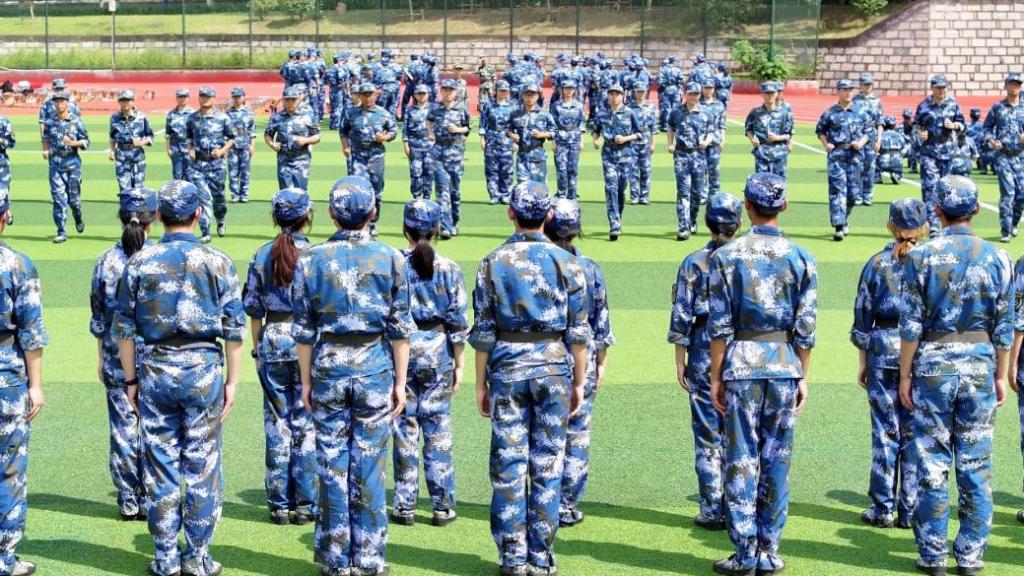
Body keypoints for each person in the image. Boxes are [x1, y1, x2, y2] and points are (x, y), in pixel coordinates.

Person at [114, 180, 246, 576]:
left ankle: (166, 557)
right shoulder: (217, 260)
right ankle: (198, 556)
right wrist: (232, 383)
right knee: (202, 467)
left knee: (161, 466)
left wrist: (130, 382)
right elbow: (234, 331)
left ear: (158, 215)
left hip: (156, 368)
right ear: (198, 214)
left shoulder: (140, 262)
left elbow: (124, 331)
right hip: (203, 368)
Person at [292, 176, 414, 576]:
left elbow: (303, 331)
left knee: (331, 463)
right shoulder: (391, 257)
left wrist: (306, 381)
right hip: (374, 367)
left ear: (331, 213)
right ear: (373, 212)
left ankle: (335, 556)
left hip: (328, 366)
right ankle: (369, 557)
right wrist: (400, 382)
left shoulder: (310, 259)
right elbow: (400, 330)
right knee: (370, 465)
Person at [469, 180, 590, 576]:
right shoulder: (568, 262)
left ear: (511, 213)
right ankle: (541, 554)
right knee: (548, 464)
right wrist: (579, 382)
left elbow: (483, 332)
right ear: (549, 215)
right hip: (554, 367)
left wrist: (480, 384)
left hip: (507, 366)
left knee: (509, 466)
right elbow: (579, 334)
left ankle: (512, 555)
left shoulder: (492, 261)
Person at [899, 175, 1011, 576]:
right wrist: (1001, 374)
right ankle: (970, 555)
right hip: (980, 364)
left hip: (933, 366)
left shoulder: (921, 257)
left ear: (937, 211)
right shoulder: (999, 257)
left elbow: (910, 325)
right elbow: (1004, 327)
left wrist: (905, 374)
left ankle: (933, 554)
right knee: (975, 464)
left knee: (931, 462)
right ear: (976, 210)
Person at [708, 172, 817, 576]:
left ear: (747, 207)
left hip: (741, 363)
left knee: (741, 458)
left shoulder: (727, 256)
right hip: (784, 363)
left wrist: (716, 376)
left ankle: (744, 551)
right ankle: (769, 549)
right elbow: (806, 328)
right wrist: (802, 375)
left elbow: (719, 326)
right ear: (782, 206)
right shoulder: (801, 256)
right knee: (777, 459)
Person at [850, 198, 928, 531]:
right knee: (914, 431)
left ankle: (882, 507)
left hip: (882, 351)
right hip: (920, 354)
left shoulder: (876, 264)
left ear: (890, 226)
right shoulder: (931, 262)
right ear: (924, 227)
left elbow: (862, 318)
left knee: (884, 430)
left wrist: (863, 362)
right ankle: (909, 508)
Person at [390, 198, 468, 528]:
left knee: (403, 430)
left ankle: (404, 504)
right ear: (437, 229)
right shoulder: (449, 268)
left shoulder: (393, 264)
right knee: (438, 431)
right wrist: (460, 364)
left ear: (405, 229)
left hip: (401, 354)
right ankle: (442, 505)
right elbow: (458, 322)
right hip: (438, 353)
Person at [241, 188, 318, 526]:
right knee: (306, 424)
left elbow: (253, 309)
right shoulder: (316, 255)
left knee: (277, 425)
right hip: (306, 342)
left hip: (272, 339)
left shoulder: (261, 255)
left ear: (275, 217)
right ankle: (305, 503)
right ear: (307, 216)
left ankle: (279, 504)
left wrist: (258, 347)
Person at [669, 192, 742, 534]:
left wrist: (679, 360)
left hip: (702, 348)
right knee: (742, 430)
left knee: (708, 432)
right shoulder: (749, 258)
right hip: (744, 349)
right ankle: (742, 504)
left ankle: (712, 507)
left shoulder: (694, 262)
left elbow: (681, 316)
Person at [543, 198, 614, 529]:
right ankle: (567, 503)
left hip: (543, 358)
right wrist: (601, 362)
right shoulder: (589, 268)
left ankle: (542, 501)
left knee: (543, 432)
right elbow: (601, 323)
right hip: (580, 360)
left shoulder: (537, 262)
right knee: (577, 434)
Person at [90, 186, 158, 523]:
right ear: (153, 218)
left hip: (118, 355)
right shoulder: (161, 258)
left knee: (123, 428)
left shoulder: (106, 261)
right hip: (158, 357)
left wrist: (101, 356)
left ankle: (129, 499)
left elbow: (100, 318)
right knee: (156, 427)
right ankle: (152, 496)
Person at [0, 186, 47, 576]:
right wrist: (36, 385)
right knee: (9, 470)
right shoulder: (17, 264)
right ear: (5, 218)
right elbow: (31, 334)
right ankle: (4, 558)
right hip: (7, 379)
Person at [339, 83, 396, 237]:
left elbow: (393, 131)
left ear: (375, 95)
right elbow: (343, 130)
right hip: (358, 155)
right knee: (358, 189)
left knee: (376, 190)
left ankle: (373, 222)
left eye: (370, 94)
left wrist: (384, 137)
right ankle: (358, 223)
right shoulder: (351, 112)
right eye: (364, 94)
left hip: (376, 156)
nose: (367, 98)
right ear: (359, 96)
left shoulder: (383, 113)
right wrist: (345, 146)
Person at [816, 79, 868, 242]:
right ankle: (839, 226)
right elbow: (820, 130)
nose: (847, 92)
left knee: (853, 194)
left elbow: (868, 132)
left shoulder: (860, 112)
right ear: (838, 91)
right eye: (844, 89)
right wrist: (826, 144)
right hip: (837, 156)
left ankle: (844, 218)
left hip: (855, 156)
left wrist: (861, 143)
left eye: (850, 89)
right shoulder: (830, 113)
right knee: (837, 191)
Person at [914, 74, 966, 233]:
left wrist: (955, 125)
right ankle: (933, 224)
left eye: (943, 87)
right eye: (938, 87)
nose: (941, 90)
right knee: (930, 188)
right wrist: (920, 133)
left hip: (947, 151)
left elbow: (963, 125)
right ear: (932, 88)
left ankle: (944, 222)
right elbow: (915, 125)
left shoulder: (953, 104)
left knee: (945, 189)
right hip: (929, 151)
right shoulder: (924, 106)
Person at [591, 83, 641, 241]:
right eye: (611, 94)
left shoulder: (629, 112)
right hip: (608, 154)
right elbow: (595, 130)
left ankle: (618, 216)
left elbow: (639, 133)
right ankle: (614, 224)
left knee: (621, 189)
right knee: (611, 188)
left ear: (622, 96)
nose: (613, 97)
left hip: (626, 155)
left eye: (617, 94)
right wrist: (596, 140)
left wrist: (626, 138)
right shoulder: (602, 113)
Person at [187, 86, 237, 241]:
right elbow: (189, 138)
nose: (205, 99)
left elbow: (232, 138)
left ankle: (221, 220)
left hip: (216, 165)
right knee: (202, 199)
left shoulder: (223, 118)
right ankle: (205, 232)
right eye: (202, 96)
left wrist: (222, 151)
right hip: (198, 165)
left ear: (214, 99)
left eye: (208, 97)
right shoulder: (192, 118)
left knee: (219, 199)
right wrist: (190, 149)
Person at [41, 91, 88, 244]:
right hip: (55, 164)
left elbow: (86, 141)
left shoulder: (77, 121)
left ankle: (78, 215)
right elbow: (45, 138)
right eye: (56, 101)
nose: (59, 104)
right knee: (58, 199)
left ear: (68, 103)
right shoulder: (49, 121)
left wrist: (73, 143)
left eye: (62, 101)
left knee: (74, 200)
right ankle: (61, 231)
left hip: (72, 163)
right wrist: (45, 150)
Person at [668, 82, 713, 241]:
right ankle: (683, 226)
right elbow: (671, 127)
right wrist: (670, 143)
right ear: (685, 94)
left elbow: (711, 132)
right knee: (683, 191)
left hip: (698, 155)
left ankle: (692, 219)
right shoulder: (676, 112)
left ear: (700, 95)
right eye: (690, 93)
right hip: (681, 155)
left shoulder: (706, 113)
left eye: (696, 94)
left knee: (697, 193)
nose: (693, 96)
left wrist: (707, 141)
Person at [983, 72, 1024, 243]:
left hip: (1021, 157)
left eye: (1018, 84)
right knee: (1008, 194)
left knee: (1021, 195)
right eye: (1012, 84)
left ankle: (1014, 222)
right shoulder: (997, 108)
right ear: (1006, 86)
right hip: (1003, 156)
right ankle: (1005, 230)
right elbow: (986, 128)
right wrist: (992, 141)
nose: (1015, 87)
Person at [428, 79, 471, 239]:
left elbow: (468, 128)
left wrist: (458, 129)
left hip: (455, 152)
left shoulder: (461, 108)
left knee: (454, 190)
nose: (447, 93)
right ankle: (445, 226)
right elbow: (428, 120)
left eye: (450, 90)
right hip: (438, 151)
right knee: (441, 190)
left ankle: (454, 221)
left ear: (455, 92)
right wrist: (430, 132)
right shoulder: (435, 108)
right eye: (445, 90)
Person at [264, 86, 321, 192]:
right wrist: (272, 144)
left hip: (301, 161)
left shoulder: (307, 117)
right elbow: (268, 134)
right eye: (287, 100)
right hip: (284, 160)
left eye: (293, 100)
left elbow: (317, 136)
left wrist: (305, 140)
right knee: (285, 193)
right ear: (283, 101)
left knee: (300, 192)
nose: (290, 102)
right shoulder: (276, 118)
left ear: (299, 100)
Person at [107, 90, 154, 195]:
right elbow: (112, 136)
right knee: (124, 189)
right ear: (119, 102)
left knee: (138, 189)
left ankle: (137, 206)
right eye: (122, 101)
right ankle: (126, 206)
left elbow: (150, 136)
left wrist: (141, 143)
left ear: (132, 101)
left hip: (137, 155)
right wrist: (111, 151)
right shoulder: (115, 118)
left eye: (127, 100)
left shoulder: (141, 117)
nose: (125, 103)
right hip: (121, 156)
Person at [508, 83, 555, 185]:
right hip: (522, 155)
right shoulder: (515, 114)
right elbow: (508, 129)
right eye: (527, 95)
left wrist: (543, 135)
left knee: (539, 186)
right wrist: (512, 135)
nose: (529, 98)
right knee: (522, 186)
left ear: (537, 96)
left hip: (538, 155)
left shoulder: (544, 114)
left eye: (533, 95)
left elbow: (555, 131)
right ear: (522, 96)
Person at [744, 82, 792, 178]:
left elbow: (789, 133)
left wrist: (777, 138)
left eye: (772, 93)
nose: (770, 96)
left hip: (779, 153)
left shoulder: (784, 113)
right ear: (762, 94)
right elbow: (748, 129)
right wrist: (752, 139)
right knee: (762, 183)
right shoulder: (755, 112)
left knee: (779, 183)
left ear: (776, 94)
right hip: (762, 153)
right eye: (767, 93)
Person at [480, 80, 517, 205]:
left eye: (506, 91)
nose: (504, 93)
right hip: (491, 138)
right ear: (496, 91)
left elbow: (516, 124)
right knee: (491, 169)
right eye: (501, 90)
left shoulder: (512, 105)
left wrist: (515, 141)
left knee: (506, 169)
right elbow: (483, 122)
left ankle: (505, 195)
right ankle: (494, 195)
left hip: (507, 138)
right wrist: (482, 138)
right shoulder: (488, 104)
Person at [551, 80, 585, 200]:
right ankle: (561, 193)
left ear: (574, 90)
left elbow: (581, 123)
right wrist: (553, 141)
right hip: (561, 139)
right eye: (566, 88)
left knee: (573, 169)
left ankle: (572, 194)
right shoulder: (556, 105)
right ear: (562, 90)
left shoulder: (579, 105)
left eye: (571, 88)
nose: (569, 91)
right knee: (561, 168)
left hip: (574, 139)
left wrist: (581, 141)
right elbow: (553, 124)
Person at [853, 73, 884, 205]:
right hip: (858, 138)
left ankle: (868, 195)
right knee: (857, 167)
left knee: (870, 168)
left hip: (871, 139)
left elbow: (880, 123)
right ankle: (858, 195)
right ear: (860, 85)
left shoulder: (876, 102)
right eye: (865, 84)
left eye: (869, 84)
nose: (867, 87)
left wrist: (879, 140)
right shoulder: (854, 100)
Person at [403, 85, 434, 200]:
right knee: (415, 172)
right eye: (419, 93)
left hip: (430, 144)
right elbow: (405, 128)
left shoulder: (434, 109)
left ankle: (427, 197)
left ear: (428, 95)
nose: (421, 96)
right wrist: (405, 143)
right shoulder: (410, 110)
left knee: (429, 172)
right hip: (414, 144)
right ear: (415, 95)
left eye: (423, 93)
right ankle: (416, 196)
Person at [225, 87, 255, 203]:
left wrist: (252, 146)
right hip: (232, 146)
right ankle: (234, 195)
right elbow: (225, 132)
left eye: (239, 96)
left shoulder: (248, 112)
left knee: (245, 172)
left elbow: (252, 131)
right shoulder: (227, 113)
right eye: (235, 97)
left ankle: (244, 194)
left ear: (243, 97)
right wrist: (225, 148)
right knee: (233, 172)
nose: (237, 99)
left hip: (245, 146)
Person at [630, 83, 658, 205]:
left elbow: (654, 128)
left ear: (646, 92)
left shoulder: (651, 107)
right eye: (638, 91)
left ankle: (644, 196)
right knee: (633, 170)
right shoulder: (629, 107)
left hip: (646, 141)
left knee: (646, 170)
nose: (640, 94)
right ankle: (634, 196)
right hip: (632, 141)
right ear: (634, 92)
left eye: (642, 91)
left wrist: (653, 143)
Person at [699, 78, 726, 198]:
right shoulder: (697, 103)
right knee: (701, 169)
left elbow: (722, 125)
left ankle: (714, 194)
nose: (708, 90)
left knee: (714, 170)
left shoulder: (719, 105)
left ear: (714, 89)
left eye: (710, 88)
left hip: (715, 141)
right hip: (700, 141)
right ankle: (702, 194)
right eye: (706, 88)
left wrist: (723, 140)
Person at [165, 89, 195, 181]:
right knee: (177, 175)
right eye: (180, 97)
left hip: (189, 147)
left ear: (188, 98)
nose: (182, 99)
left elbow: (196, 133)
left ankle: (190, 191)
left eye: (184, 97)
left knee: (190, 175)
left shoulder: (194, 114)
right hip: (176, 147)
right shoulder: (171, 114)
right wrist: (168, 149)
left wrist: (194, 149)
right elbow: (168, 133)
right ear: (176, 98)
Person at [878, 115, 907, 185]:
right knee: (898, 157)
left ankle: (877, 177)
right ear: (894, 125)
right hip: (897, 161)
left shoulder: (880, 135)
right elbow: (903, 148)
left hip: (884, 161)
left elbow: (877, 148)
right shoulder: (900, 135)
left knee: (873, 157)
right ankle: (897, 174)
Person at [0, 113, 14, 214]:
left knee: (3, 195)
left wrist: (1, 141)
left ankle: (6, 213)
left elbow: (11, 142)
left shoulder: (4, 121)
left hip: (1, 165)